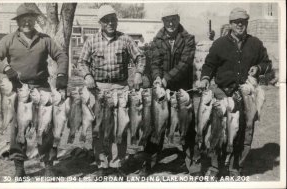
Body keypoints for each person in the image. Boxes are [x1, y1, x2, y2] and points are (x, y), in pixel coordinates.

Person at [0, 4, 69, 177]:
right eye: (23, 19)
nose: (27, 22)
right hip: (18, 89)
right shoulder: (9, 40)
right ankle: (19, 167)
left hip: (41, 87)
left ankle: (48, 165)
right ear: (18, 21)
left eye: (30, 18)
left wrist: (61, 74)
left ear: (36, 20)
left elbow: (61, 56)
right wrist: (6, 68)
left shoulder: (45, 39)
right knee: (17, 128)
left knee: (46, 127)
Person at [199, 7, 272, 177]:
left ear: (247, 23)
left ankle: (235, 167)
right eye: (236, 22)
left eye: (243, 22)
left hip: (246, 94)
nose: (240, 25)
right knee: (218, 130)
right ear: (230, 24)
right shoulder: (219, 44)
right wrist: (204, 78)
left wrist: (258, 68)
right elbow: (208, 65)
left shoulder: (255, 43)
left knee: (245, 131)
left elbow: (267, 64)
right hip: (222, 93)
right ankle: (215, 167)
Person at [77, 5, 145, 176]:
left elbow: (140, 57)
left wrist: (138, 73)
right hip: (98, 88)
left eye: (112, 19)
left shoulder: (125, 39)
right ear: (100, 22)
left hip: (120, 87)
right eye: (106, 20)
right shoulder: (91, 40)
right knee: (98, 128)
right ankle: (101, 164)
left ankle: (117, 164)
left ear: (116, 20)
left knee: (120, 128)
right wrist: (87, 76)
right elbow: (81, 62)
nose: (110, 23)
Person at [139, 6, 200, 176]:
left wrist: (166, 79)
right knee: (155, 126)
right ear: (163, 21)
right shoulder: (157, 39)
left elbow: (185, 63)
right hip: (161, 89)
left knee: (187, 127)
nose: (171, 23)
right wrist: (158, 78)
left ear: (179, 19)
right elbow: (155, 62)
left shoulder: (188, 38)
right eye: (167, 20)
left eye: (173, 19)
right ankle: (149, 161)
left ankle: (193, 164)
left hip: (182, 90)